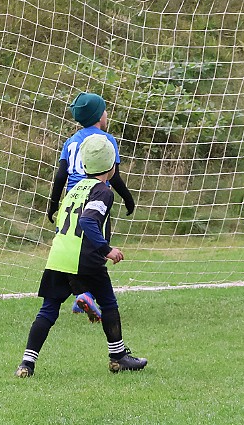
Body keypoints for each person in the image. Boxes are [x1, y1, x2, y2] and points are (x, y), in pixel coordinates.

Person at [15, 134, 147, 377]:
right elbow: (87, 221)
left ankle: (27, 363)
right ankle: (118, 357)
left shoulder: (74, 189)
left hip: (58, 255)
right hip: (84, 258)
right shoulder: (103, 192)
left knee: (48, 309)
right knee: (108, 303)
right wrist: (107, 250)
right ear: (112, 166)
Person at [47, 92, 135, 320]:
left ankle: (82, 294)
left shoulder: (70, 141)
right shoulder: (105, 141)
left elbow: (59, 176)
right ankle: (88, 295)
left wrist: (53, 203)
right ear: (99, 116)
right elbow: (113, 176)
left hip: (71, 201)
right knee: (96, 248)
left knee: (68, 250)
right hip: (95, 196)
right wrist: (127, 197)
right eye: (105, 110)